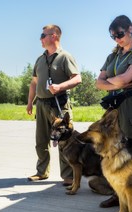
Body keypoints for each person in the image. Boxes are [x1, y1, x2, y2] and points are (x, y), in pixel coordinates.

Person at [96, 15, 132, 207]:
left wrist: (112, 82)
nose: (117, 39)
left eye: (119, 34)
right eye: (113, 36)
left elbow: (120, 80)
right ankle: (118, 196)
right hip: (114, 105)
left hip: (131, 105)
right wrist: (118, 82)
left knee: (131, 154)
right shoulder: (113, 56)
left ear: (130, 29)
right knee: (112, 151)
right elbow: (98, 83)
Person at [27, 24, 82, 185]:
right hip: (41, 105)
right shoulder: (40, 59)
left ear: (54, 36)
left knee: (65, 140)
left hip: (58, 104)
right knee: (41, 140)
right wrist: (30, 102)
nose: (40, 39)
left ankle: (68, 175)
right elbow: (34, 83)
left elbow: (77, 78)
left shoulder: (65, 56)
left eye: (43, 35)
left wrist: (60, 86)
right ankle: (42, 172)